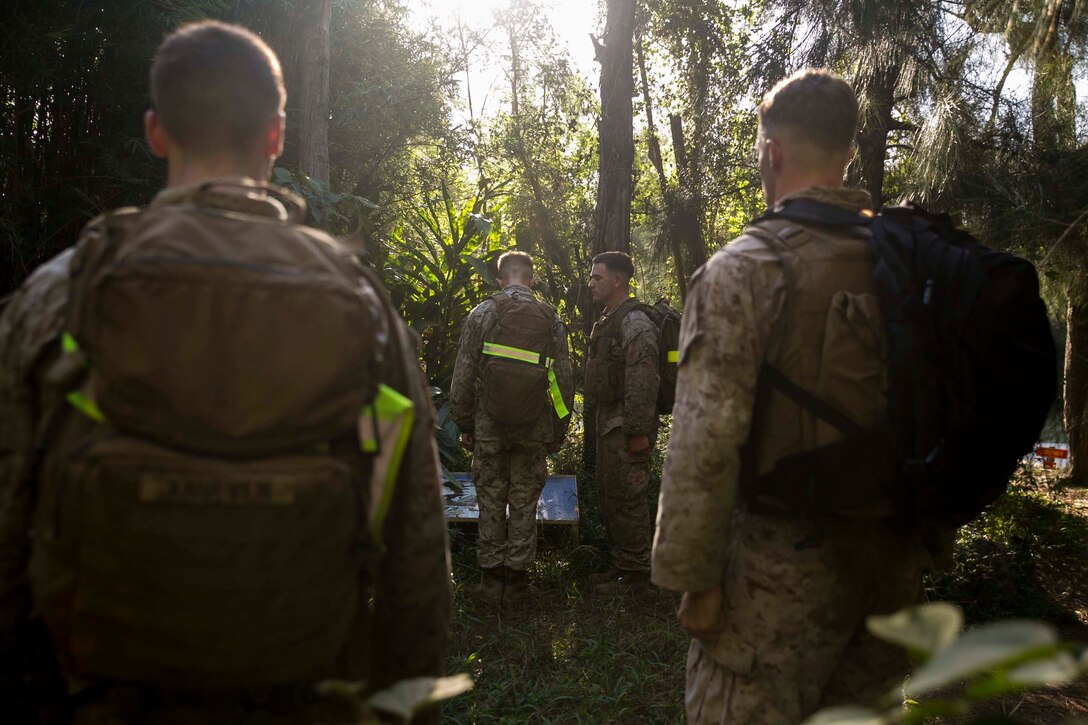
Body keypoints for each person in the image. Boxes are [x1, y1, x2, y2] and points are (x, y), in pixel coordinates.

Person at [0, 21, 450, 723]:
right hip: (300, 692)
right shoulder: (359, 303)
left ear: (155, 131)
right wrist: (398, 695)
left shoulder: (65, 292)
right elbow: (416, 534)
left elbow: (8, 511)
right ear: (275, 135)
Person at [652, 68, 942, 723]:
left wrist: (695, 581)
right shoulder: (909, 265)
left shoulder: (744, 269)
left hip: (777, 573)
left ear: (771, 152)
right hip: (890, 569)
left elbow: (705, 437)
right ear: (846, 154)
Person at [450, 251, 573, 607]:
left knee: (490, 498)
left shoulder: (482, 313)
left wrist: (464, 422)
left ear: (500, 279)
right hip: (534, 426)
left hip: (489, 424)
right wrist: (557, 431)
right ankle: (518, 583)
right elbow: (563, 380)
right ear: (531, 279)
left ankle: (492, 583)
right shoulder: (550, 318)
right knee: (523, 501)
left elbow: (463, 373)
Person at [585, 251, 660, 595]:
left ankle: (638, 576)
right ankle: (624, 567)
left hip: (627, 428)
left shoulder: (634, 322)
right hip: (609, 425)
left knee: (629, 499)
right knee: (612, 495)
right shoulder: (608, 318)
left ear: (618, 280)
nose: (591, 283)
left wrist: (638, 431)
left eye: (597, 277)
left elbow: (643, 378)